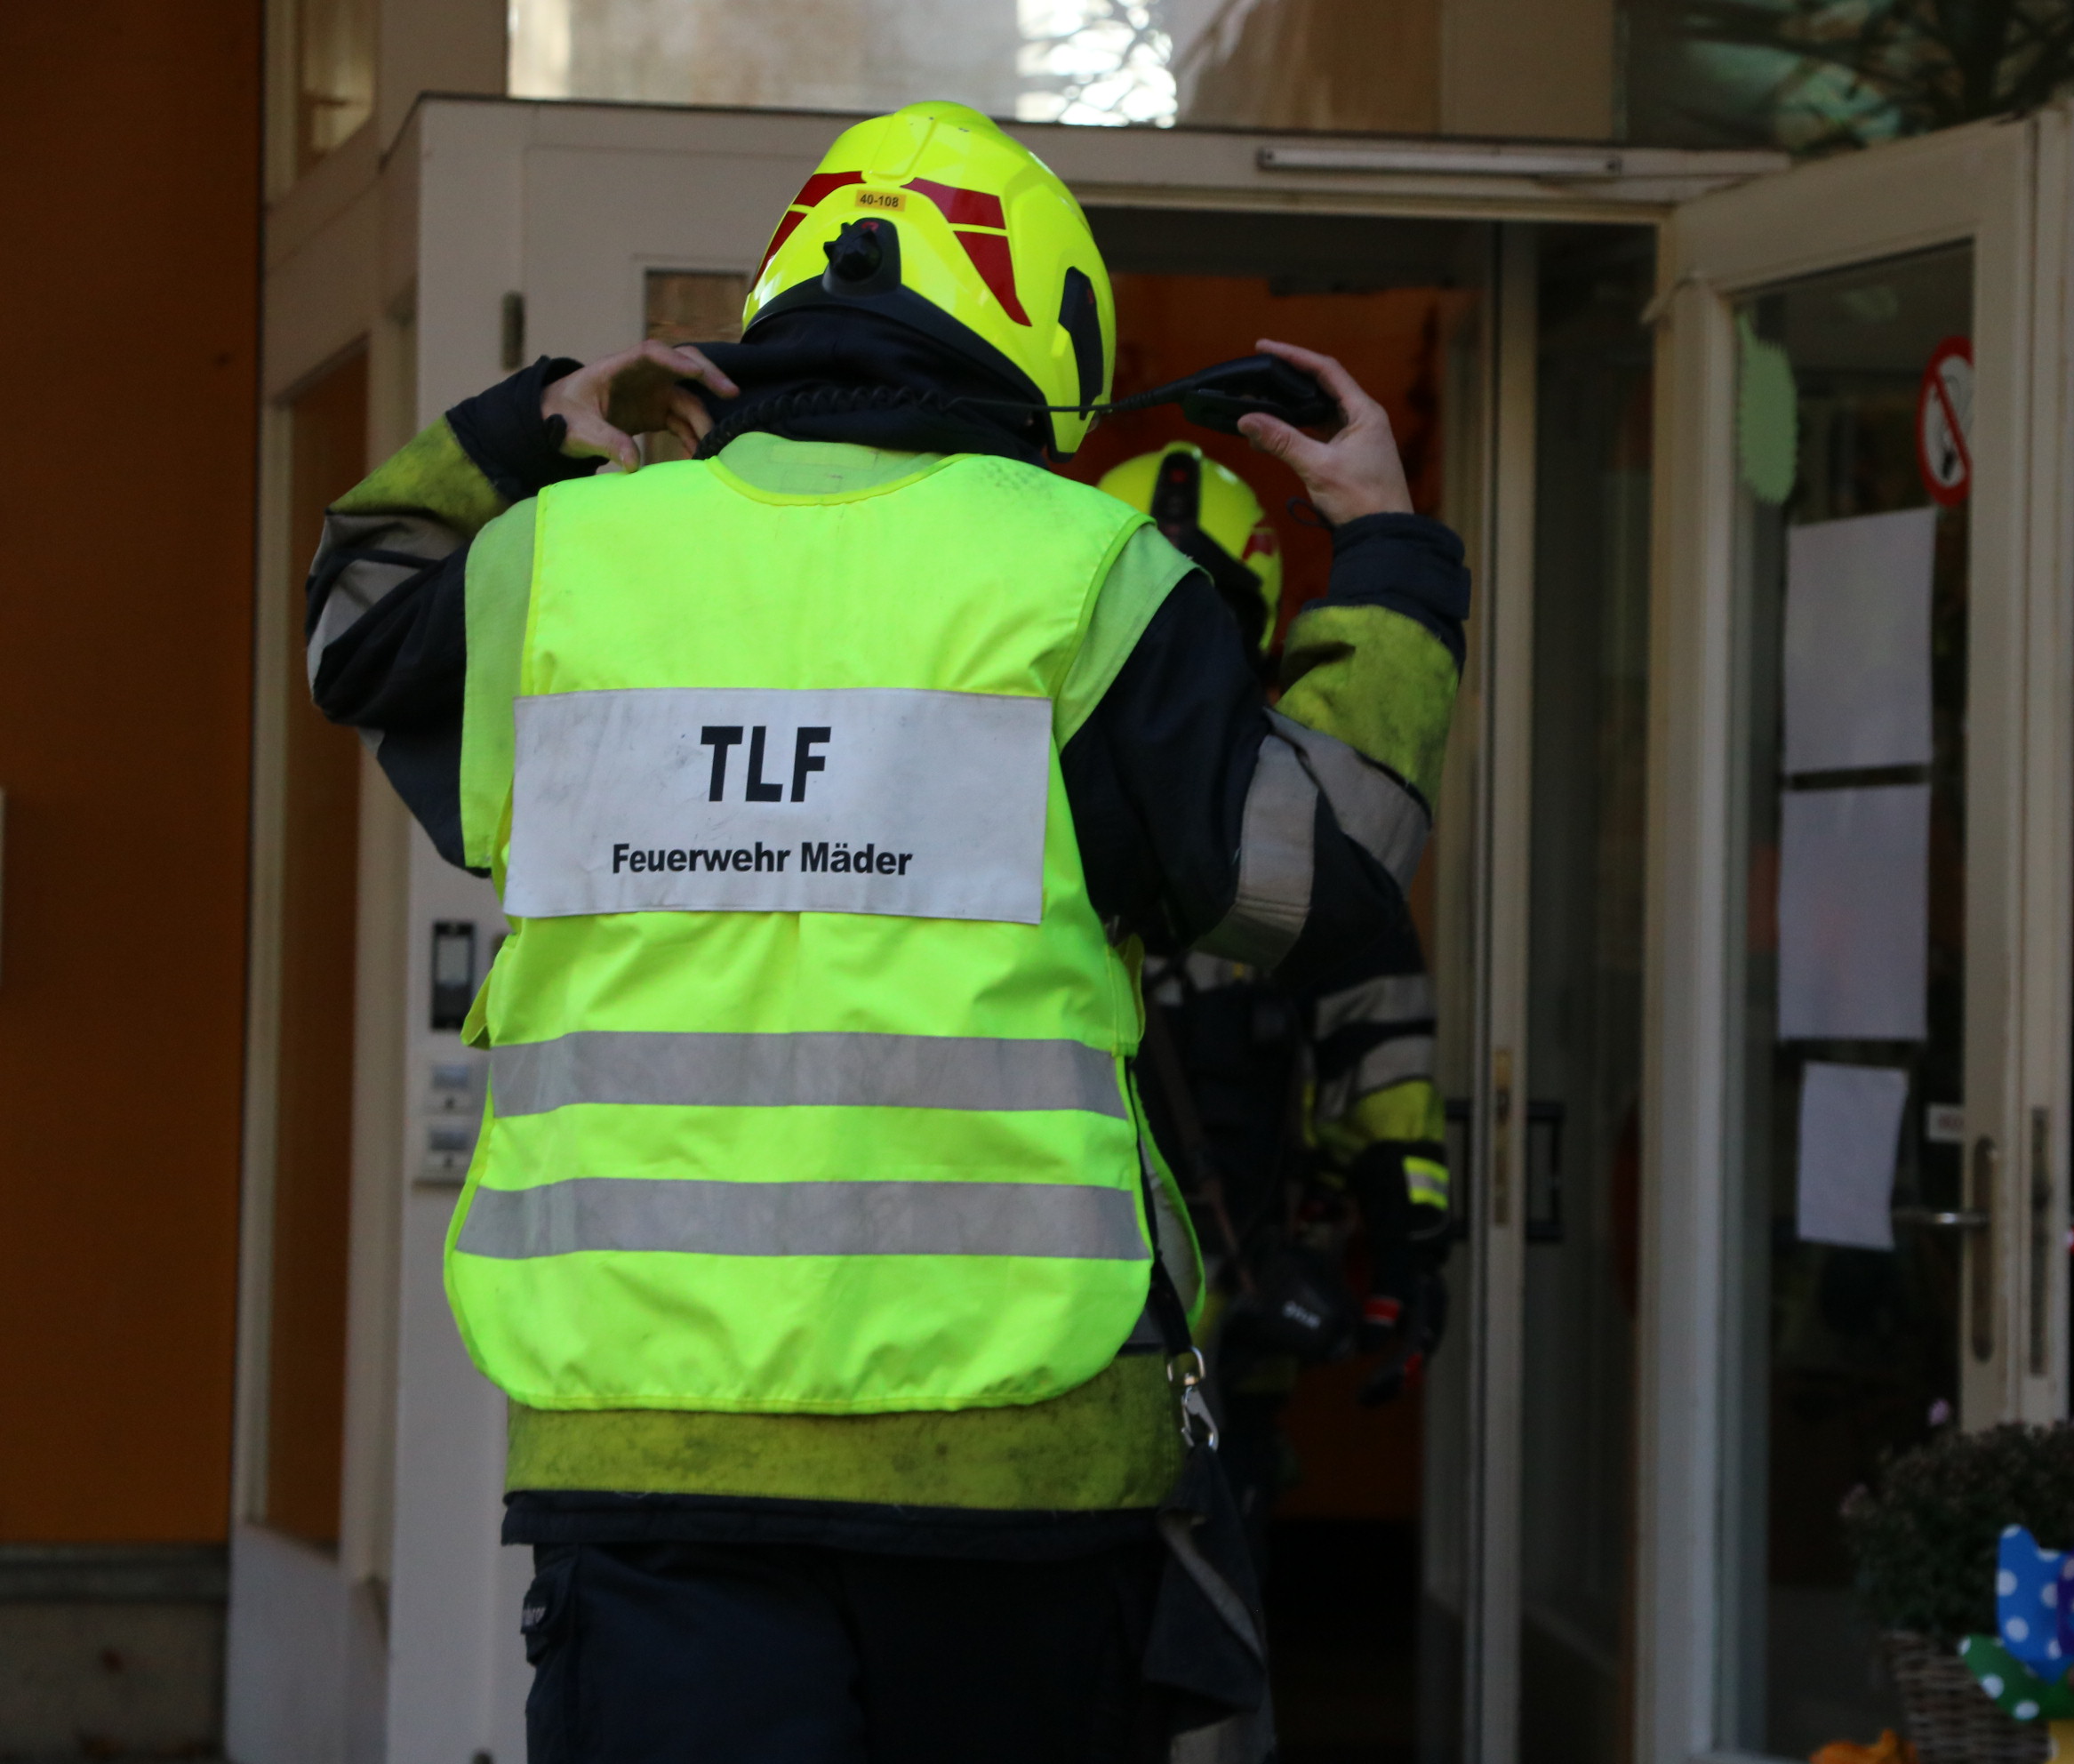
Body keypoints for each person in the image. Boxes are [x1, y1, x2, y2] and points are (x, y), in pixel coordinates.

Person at [301, 101, 1469, 1762]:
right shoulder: (1090, 573)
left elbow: (354, 625)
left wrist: (523, 425)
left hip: (648, 1456)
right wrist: (1391, 560)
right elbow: (1322, 877)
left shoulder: (558, 564)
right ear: (1049, 328)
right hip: (1013, 1458)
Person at [1095, 444, 1453, 1560]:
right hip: (1063, 1337)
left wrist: (1408, 1244)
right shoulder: (1027, 788)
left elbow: (1383, 1062)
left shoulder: (1296, 825)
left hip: (1227, 1336)